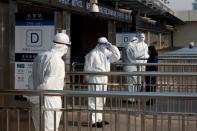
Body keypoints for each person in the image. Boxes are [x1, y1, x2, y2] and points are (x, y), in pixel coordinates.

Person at [28, 30, 71, 131]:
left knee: (39, 128)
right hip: (49, 100)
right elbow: (48, 85)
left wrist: (33, 97)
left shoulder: (40, 56)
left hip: (37, 100)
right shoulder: (57, 61)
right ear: (64, 46)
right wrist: (36, 97)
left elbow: (31, 78)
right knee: (50, 128)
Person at [84, 37, 120, 128]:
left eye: (106, 44)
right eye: (103, 44)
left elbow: (117, 57)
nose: (104, 46)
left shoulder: (107, 53)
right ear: (98, 44)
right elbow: (87, 68)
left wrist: (112, 47)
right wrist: (89, 80)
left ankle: (99, 119)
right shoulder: (92, 54)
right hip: (95, 78)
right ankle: (93, 121)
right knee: (94, 99)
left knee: (101, 99)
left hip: (104, 77)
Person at [123, 36, 145, 103]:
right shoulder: (131, 47)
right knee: (132, 83)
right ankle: (131, 99)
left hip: (127, 66)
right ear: (134, 41)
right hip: (131, 67)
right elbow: (135, 56)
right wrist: (143, 52)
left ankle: (130, 98)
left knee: (130, 83)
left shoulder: (125, 47)